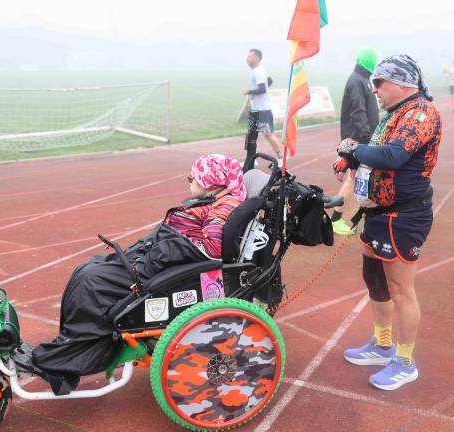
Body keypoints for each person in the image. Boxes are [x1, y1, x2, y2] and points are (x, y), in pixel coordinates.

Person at [15, 154, 245, 395]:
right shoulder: (217, 199)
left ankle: (66, 362)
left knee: (91, 283)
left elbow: (211, 249)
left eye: (193, 178)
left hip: (163, 268)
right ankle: (66, 355)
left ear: (211, 182)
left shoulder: (223, 207)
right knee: (89, 270)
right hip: (157, 259)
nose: (189, 182)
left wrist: (162, 251)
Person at [333, 55, 442, 391]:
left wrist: (355, 146)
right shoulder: (394, 113)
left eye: (379, 82)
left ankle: (404, 362)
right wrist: (351, 159)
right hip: (379, 213)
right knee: (375, 281)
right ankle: (382, 345)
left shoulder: (421, 113)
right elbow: (376, 154)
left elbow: (393, 156)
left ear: (401, 82)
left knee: (400, 290)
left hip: (404, 216)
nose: (374, 88)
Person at [331, 47, 379, 236]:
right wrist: (369, 139)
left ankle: (344, 216)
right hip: (358, 140)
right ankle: (335, 218)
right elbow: (358, 113)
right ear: (369, 62)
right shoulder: (357, 81)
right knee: (353, 178)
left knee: (355, 177)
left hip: (360, 139)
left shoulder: (363, 80)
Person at [242, 49, 282, 172]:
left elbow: (263, 89)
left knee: (268, 134)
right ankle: (250, 160)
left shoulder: (258, 71)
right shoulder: (258, 71)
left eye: (250, 56)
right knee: (251, 135)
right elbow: (269, 81)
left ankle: (281, 157)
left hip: (262, 111)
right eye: (247, 56)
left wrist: (249, 91)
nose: (247, 58)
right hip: (255, 111)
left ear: (257, 58)